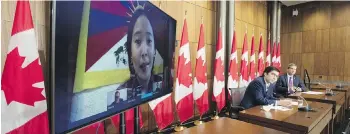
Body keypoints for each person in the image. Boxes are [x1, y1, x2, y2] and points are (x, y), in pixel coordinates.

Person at [115, 6, 162, 100]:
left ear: (154, 50)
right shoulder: (122, 92)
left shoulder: (162, 84)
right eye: (138, 41)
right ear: (130, 52)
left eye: (149, 41)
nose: (144, 52)